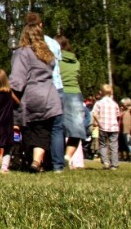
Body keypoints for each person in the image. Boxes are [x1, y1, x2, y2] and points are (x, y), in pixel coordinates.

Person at [9, 18, 63, 172]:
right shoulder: (48, 54)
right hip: (50, 95)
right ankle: (37, 161)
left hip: (31, 95)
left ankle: (28, 160)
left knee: (29, 129)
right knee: (44, 129)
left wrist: (11, 94)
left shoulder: (23, 52)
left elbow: (18, 78)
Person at [57, 35, 88, 166]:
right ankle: (67, 157)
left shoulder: (55, 60)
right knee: (76, 130)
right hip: (75, 93)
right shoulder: (76, 62)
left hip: (59, 91)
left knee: (56, 128)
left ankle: (56, 157)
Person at [0, 68, 16, 173]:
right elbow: (18, 102)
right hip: (7, 123)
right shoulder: (9, 92)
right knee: (8, 146)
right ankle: (4, 167)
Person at [92, 84, 120, 170]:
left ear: (100, 93)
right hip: (114, 127)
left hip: (103, 126)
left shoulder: (99, 103)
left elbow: (94, 113)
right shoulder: (114, 104)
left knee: (103, 145)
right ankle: (114, 164)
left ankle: (106, 162)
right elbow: (118, 115)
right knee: (114, 145)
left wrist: (97, 121)